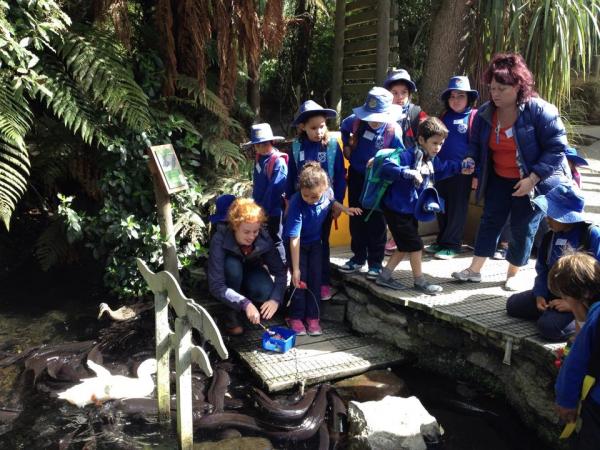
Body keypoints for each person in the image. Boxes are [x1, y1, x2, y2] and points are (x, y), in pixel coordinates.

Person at [451, 53, 571, 291]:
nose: (495, 93)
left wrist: (533, 178)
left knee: (522, 226)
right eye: (492, 88)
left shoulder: (540, 111)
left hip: (531, 180)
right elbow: (475, 144)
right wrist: (470, 159)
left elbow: (557, 148)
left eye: (502, 88)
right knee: (489, 221)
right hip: (498, 178)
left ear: (518, 86)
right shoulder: (485, 113)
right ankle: (474, 270)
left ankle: (513, 273)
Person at [375, 117, 465, 294]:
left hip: (410, 210)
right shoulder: (407, 155)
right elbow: (387, 167)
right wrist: (406, 172)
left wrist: (461, 167)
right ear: (421, 139)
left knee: (404, 245)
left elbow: (443, 168)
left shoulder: (429, 160)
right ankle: (420, 282)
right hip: (396, 209)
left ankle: (384, 277)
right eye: (434, 143)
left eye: (441, 144)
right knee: (416, 245)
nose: (438, 148)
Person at [506, 185, 600, 341]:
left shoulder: (591, 234)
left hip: (582, 298)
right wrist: (540, 294)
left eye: (553, 214)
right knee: (513, 305)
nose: (547, 218)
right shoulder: (550, 236)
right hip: (554, 291)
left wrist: (572, 304)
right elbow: (542, 269)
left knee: (548, 327)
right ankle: (551, 312)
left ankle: (577, 320)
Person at [284, 162, 361, 336]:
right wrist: (295, 269)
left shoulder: (327, 193)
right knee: (299, 280)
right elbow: (294, 238)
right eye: (306, 196)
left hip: (315, 244)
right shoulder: (297, 202)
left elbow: (332, 202)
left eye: (314, 197)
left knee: (315, 279)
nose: (310, 200)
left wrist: (345, 209)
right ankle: (295, 317)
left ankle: (313, 318)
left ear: (324, 189)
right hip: (298, 246)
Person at [339, 87, 404, 280]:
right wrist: (348, 147)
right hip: (357, 176)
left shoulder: (393, 129)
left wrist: (380, 159)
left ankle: (375, 262)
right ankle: (358, 257)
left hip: (378, 181)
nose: (373, 120)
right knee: (356, 216)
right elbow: (344, 128)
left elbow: (400, 154)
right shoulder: (356, 121)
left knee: (376, 220)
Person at [287, 100, 346, 301]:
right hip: (301, 204)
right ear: (302, 127)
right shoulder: (296, 147)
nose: (318, 131)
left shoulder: (331, 146)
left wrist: (337, 202)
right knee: (300, 242)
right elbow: (291, 176)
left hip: (325, 205)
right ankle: (299, 279)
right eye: (313, 128)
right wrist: (288, 201)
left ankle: (323, 282)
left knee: (322, 243)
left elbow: (339, 175)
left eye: (322, 126)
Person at [207, 198, 287, 336]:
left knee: (265, 291)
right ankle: (231, 314)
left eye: (255, 231)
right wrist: (245, 303)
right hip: (228, 274)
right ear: (234, 226)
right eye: (246, 232)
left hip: (251, 270)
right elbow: (216, 285)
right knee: (233, 267)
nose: (251, 237)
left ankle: (247, 303)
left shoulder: (263, 237)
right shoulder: (220, 238)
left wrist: (275, 299)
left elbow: (280, 272)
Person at [549, 252, 600, 449]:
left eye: (567, 298)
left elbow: (575, 364)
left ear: (583, 295)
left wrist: (566, 401)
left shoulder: (596, 317)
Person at [425, 76, 478, 260]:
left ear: (468, 98)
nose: (455, 100)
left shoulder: (473, 117)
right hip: (440, 170)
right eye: (452, 96)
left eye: (460, 96)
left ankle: (452, 244)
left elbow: (478, 147)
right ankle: (441, 240)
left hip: (462, 173)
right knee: (441, 206)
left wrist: (477, 174)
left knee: (457, 208)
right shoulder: (443, 116)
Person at [383, 68, 428, 254]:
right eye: (394, 93)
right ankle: (391, 239)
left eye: (404, 92)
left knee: (409, 204)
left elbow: (429, 135)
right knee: (388, 204)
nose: (399, 96)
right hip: (390, 167)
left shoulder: (418, 113)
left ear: (409, 94)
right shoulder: (382, 113)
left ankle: (407, 241)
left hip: (412, 169)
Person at [246, 123, 288, 256]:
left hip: (273, 210)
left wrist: (263, 209)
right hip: (259, 209)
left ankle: (283, 269)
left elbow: (275, 189)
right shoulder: (259, 158)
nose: (261, 147)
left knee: (276, 239)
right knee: (261, 238)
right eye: (258, 145)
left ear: (272, 141)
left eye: (264, 144)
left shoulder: (278, 162)